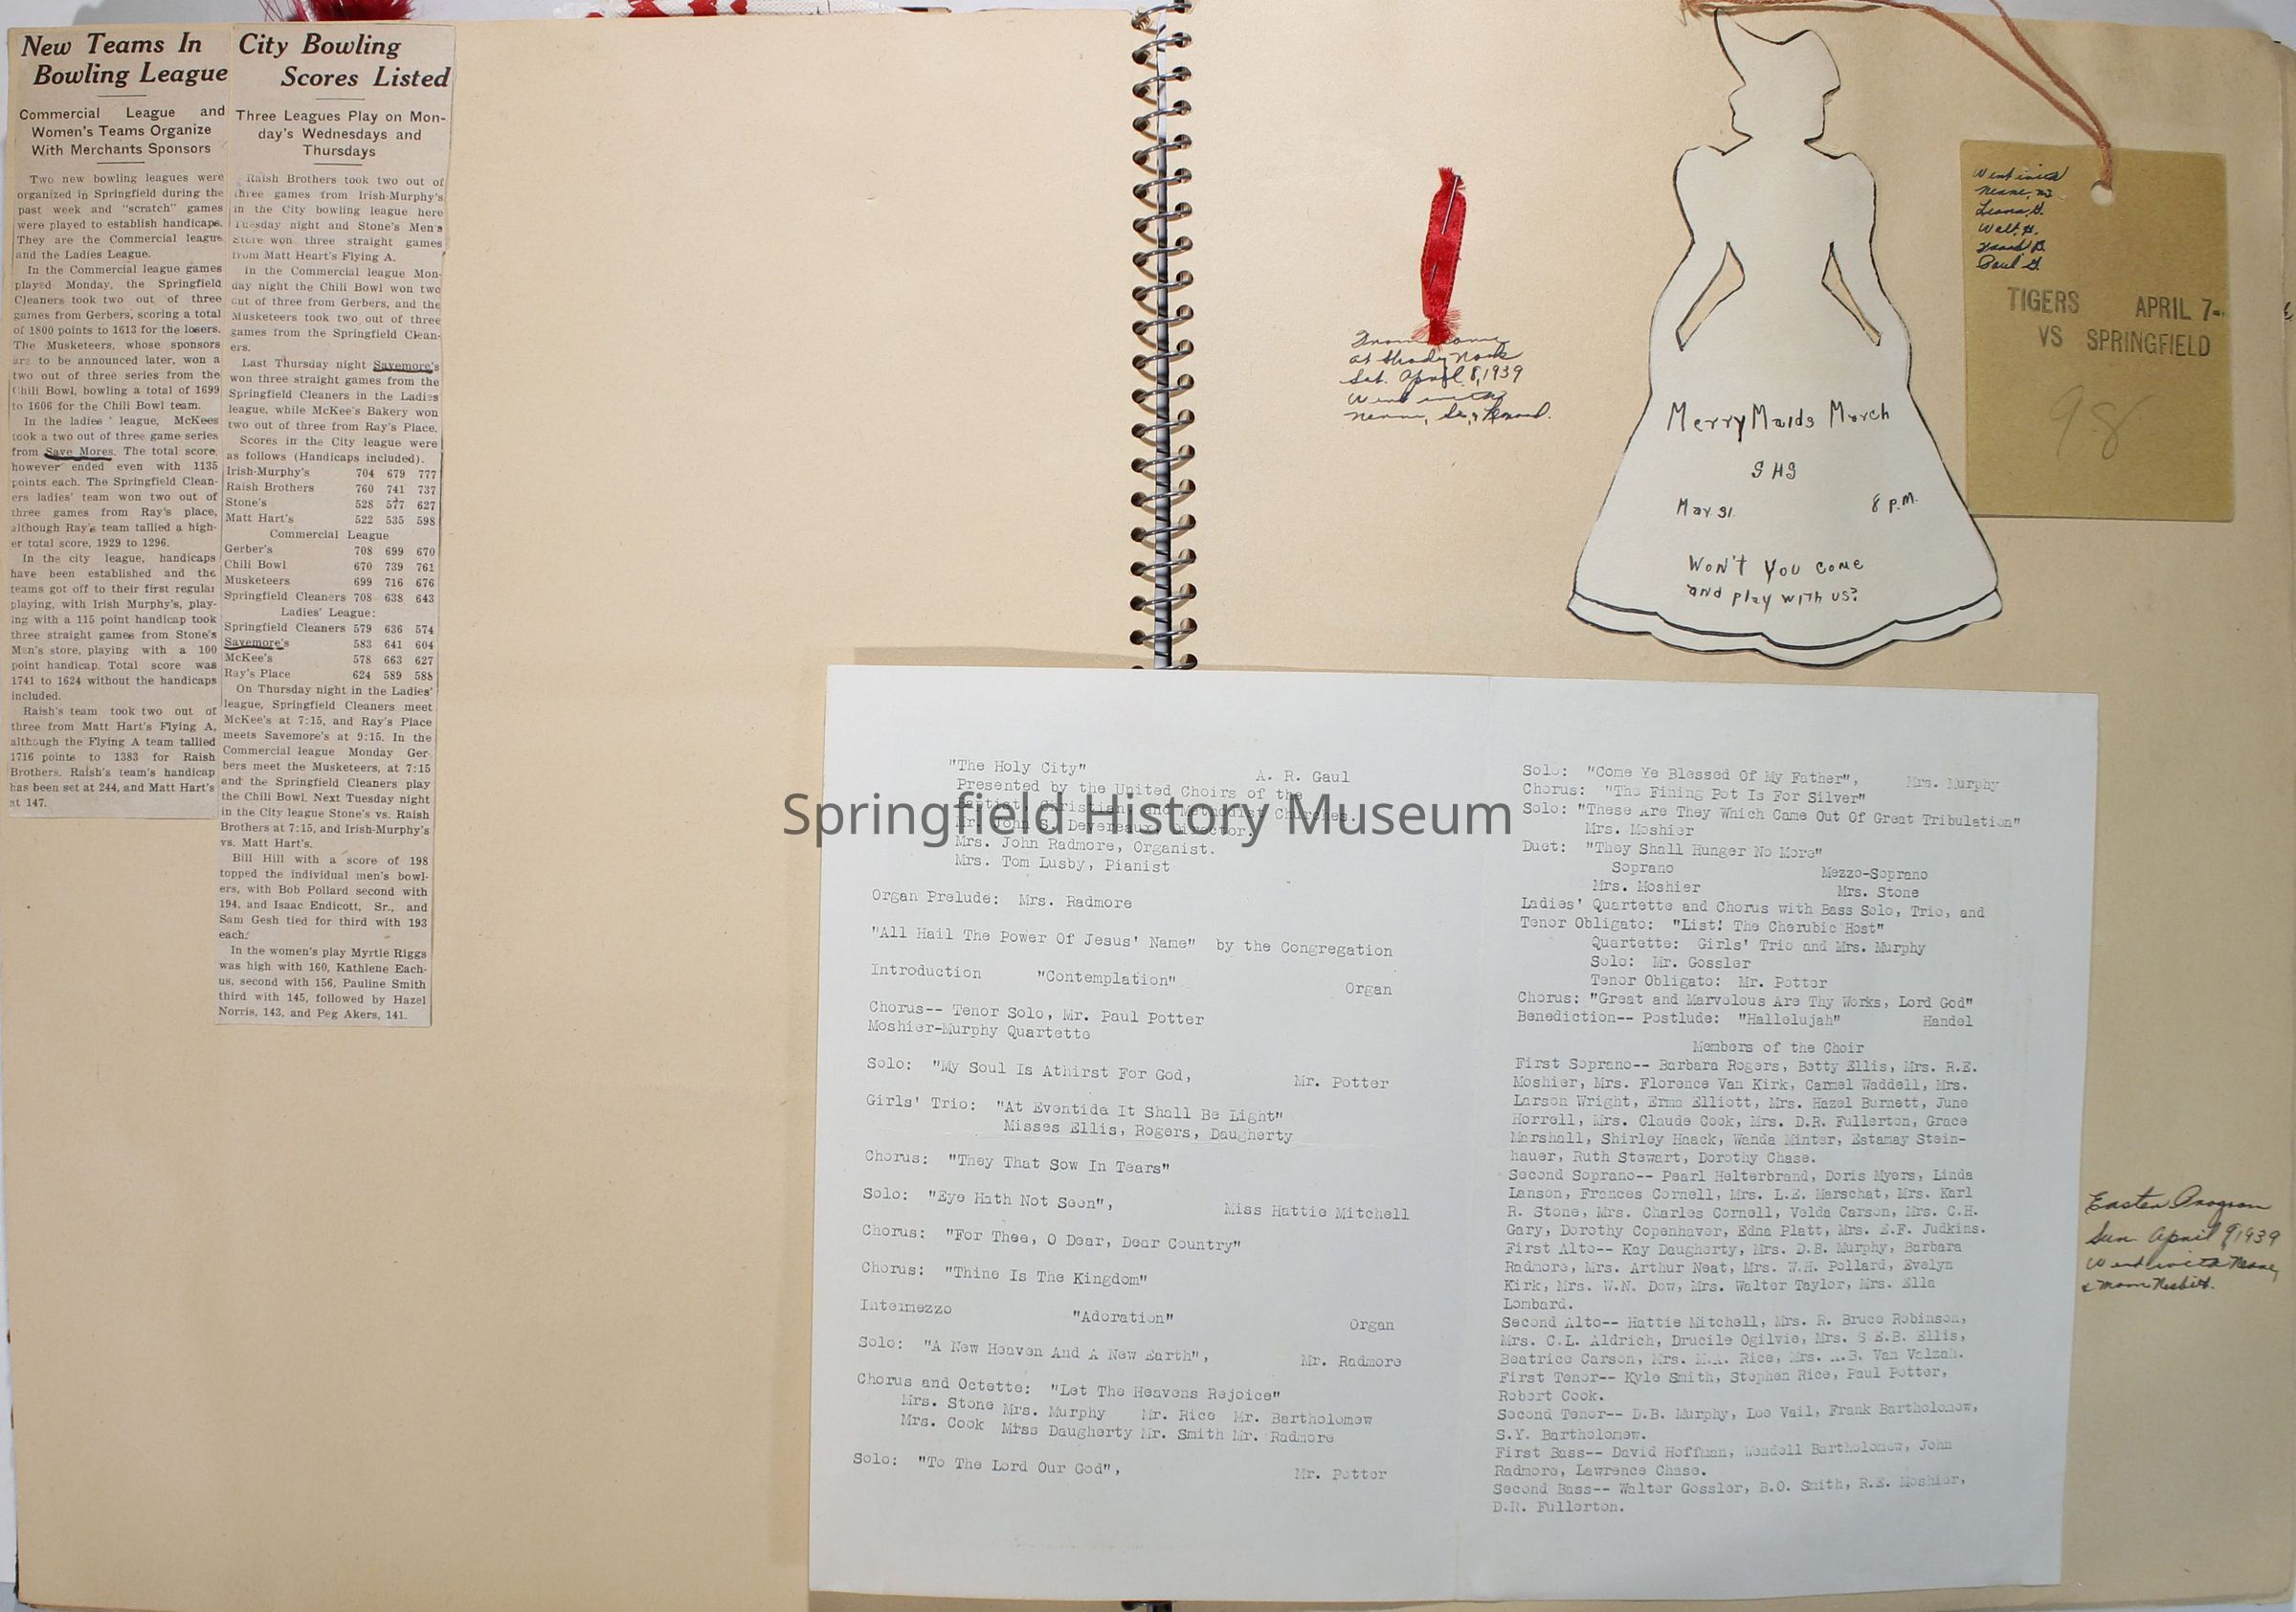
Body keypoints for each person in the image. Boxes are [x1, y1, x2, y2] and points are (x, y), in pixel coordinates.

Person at [1568, 18, 2001, 666]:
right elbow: (1706, 263)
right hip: (1764, 340)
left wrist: (1892, 347)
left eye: (1745, 83)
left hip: (1802, 345)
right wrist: (1664, 345)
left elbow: (1857, 276)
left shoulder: (1837, 179)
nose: (1733, 95)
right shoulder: (1722, 174)